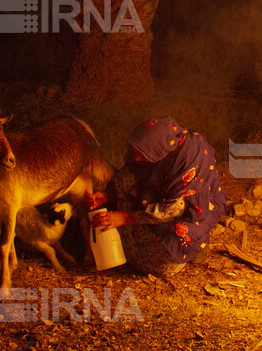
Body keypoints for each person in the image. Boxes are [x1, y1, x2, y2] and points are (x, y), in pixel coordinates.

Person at [89, 117, 226, 278]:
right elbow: (132, 171)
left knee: (163, 266)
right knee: (125, 177)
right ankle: (134, 242)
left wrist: (125, 218)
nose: (137, 157)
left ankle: (195, 248)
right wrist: (109, 195)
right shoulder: (158, 144)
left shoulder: (190, 159)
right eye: (136, 152)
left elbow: (173, 209)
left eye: (142, 154)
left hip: (192, 208)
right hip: (163, 193)